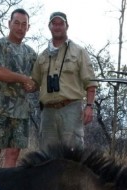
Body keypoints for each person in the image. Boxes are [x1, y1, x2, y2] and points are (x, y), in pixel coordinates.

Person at [0, 8, 37, 172]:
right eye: (16, 23)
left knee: (13, 154)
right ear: (9, 23)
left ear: (28, 27)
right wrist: (23, 79)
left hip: (21, 113)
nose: (20, 27)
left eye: (24, 24)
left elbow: (36, 81)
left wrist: (32, 86)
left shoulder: (31, 53)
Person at [31, 11, 97, 151]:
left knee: (73, 156)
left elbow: (90, 82)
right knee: (47, 157)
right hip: (47, 112)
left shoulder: (79, 52)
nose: (57, 26)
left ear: (67, 26)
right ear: (49, 27)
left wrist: (89, 106)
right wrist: (16, 80)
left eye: (61, 23)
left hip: (71, 110)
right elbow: (34, 83)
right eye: (54, 23)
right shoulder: (42, 56)